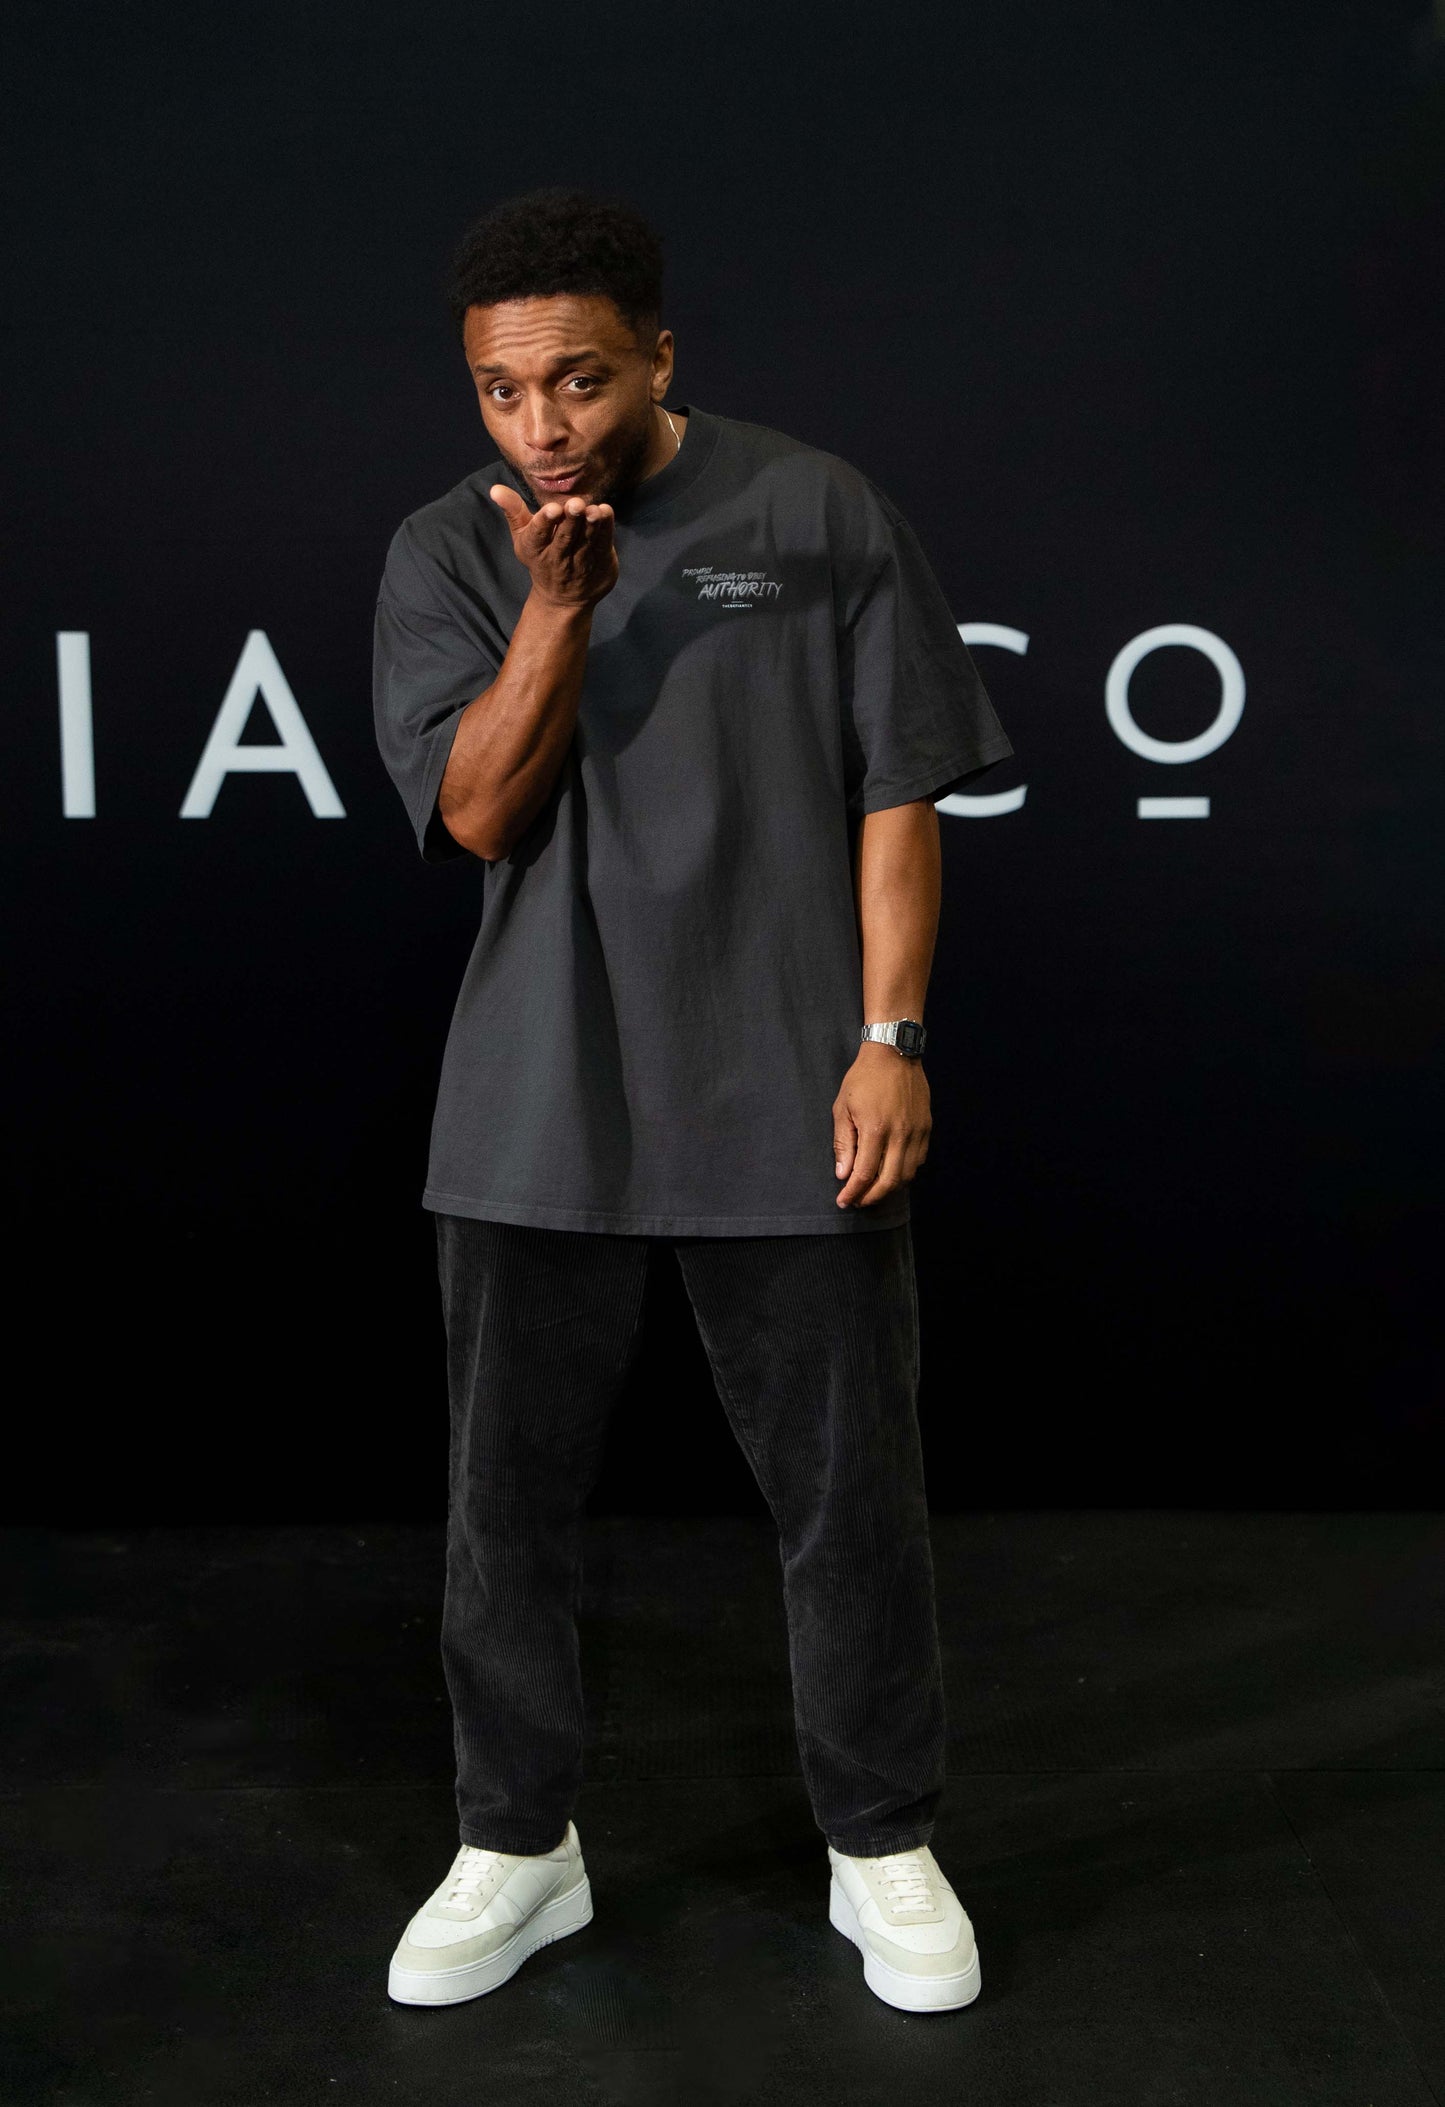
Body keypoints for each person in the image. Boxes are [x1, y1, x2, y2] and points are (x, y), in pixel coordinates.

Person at [372, 187, 1013, 2016]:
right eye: (503, 393)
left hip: (790, 1093)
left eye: (578, 378)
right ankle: (518, 1845)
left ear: (661, 356)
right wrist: (556, 618)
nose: (543, 424)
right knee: (504, 1511)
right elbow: (483, 814)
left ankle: (879, 1841)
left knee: (847, 1502)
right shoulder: (446, 551)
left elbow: (903, 787)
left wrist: (891, 1037)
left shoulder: (816, 509)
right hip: (532, 1102)